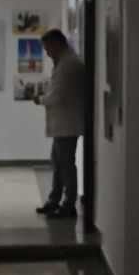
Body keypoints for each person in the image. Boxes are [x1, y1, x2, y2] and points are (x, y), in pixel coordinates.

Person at [33, 29, 85, 219]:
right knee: (58, 161)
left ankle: (68, 204)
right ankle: (54, 200)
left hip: (67, 124)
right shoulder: (64, 62)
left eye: (48, 48)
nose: (47, 53)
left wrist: (41, 99)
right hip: (64, 124)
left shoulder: (68, 64)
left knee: (66, 164)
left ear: (57, 44)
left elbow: (58, 95)